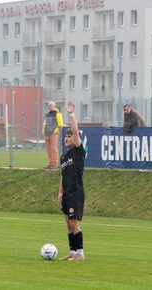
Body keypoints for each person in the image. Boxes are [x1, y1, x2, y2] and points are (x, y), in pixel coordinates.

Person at [58, 101, 86, 261]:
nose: (67, 138)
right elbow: (63, 174)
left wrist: (71, 114)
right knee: (68, 223)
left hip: (76, 192)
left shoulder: (78, 152)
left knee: (74, 223)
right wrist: (60, 192)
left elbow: (75, 131)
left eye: (69, 136)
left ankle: (80, 254)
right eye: (66, 136)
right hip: (67, 193)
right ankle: (72, 252)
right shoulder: (64, 156)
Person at [42, 101, 63, 169]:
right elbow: (44, 123)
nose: (49, 106)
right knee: (48, 149)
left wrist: (55, 131)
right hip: (46, 133)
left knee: (54, 148)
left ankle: (55, 163)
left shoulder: (57, 114)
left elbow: (60, 124)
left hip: (53, 133)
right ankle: (50, 163)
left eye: (51, 105)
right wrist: (43, 130)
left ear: (54, 105)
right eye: (48, 105)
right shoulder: (47, 114)